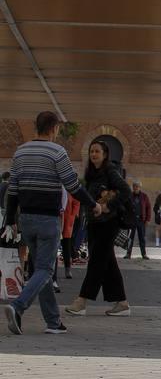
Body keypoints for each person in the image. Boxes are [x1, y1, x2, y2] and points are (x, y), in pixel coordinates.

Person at [3, 111, 97, 336]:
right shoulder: (57, 152)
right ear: (54, 128)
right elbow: (72, 185)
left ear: (37, 126)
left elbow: (13, 189)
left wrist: (9, 220)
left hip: (25, 218)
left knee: (39, 269)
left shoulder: (20, 152)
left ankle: (53, 322)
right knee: (45, 269)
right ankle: (17, 307)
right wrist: (93, 204)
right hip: (48, 218)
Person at [68, 140, 133, 317]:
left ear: (105, 154)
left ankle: (82, 301)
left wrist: (108, 206)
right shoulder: (91, 173)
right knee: (108, 262)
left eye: (97, 151)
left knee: (97, 262)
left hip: (108, 222)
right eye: (91, 151)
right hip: (94, 223)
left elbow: (125, 191)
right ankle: (122, 303)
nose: (93, 154)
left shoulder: (110, 171)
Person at [124, 180, 151, 260]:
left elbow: (148, 208)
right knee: (129, 238)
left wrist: (147, 219)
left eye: (137, 186)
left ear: (140, 187)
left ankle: (144, 254)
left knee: (142, 238)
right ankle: (128, 254)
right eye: (134, 186)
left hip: (141, 220)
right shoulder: (130, 196)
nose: (135, 188)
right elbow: (126, 207)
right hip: (131, 220)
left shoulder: (144, 196)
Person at [60, 189, 80, 279]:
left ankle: (67, 268)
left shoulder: (69, 188)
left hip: (67, 220)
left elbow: (76, 202)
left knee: (66, 245)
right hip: (57, 219)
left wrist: (73, 214)